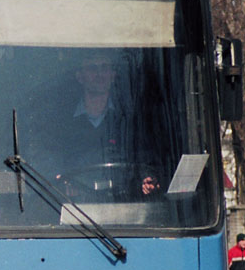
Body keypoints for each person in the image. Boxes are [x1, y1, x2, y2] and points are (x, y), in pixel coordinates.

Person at [45, 50, 164, 199]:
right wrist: (62, 182)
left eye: (104, 68)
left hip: (123, 203)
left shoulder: (127, 122)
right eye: (92, 68)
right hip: (74, 207)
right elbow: (50, 160)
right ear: (80, 77)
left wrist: (147, 177)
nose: (99, 74)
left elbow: (145, 159)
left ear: (113, 76)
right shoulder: (62, 123)